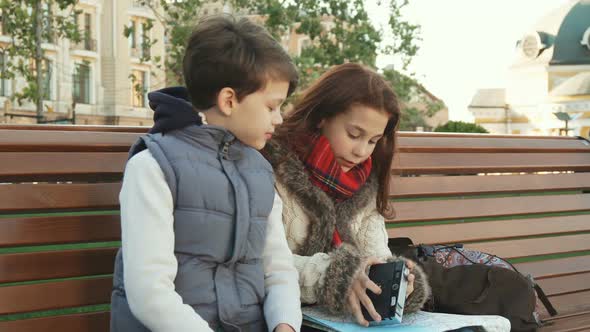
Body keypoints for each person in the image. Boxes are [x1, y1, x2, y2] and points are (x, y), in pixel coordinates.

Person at [110, 15, 301, 332]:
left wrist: (285, 325)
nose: (279, 118)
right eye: (271, 106)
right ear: (229, 100)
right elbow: (148, 293)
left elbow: (278, 270)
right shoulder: (153, 166)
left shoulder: (260, 173)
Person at [262, 63, 431, 327]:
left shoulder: (364, 183)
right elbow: (263, 263)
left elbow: (375, 255)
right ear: (322, 117)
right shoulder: (271, 167)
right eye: (354, 134)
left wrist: (396, 285)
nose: (361, 151)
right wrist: (336, 276)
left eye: (373, 141)